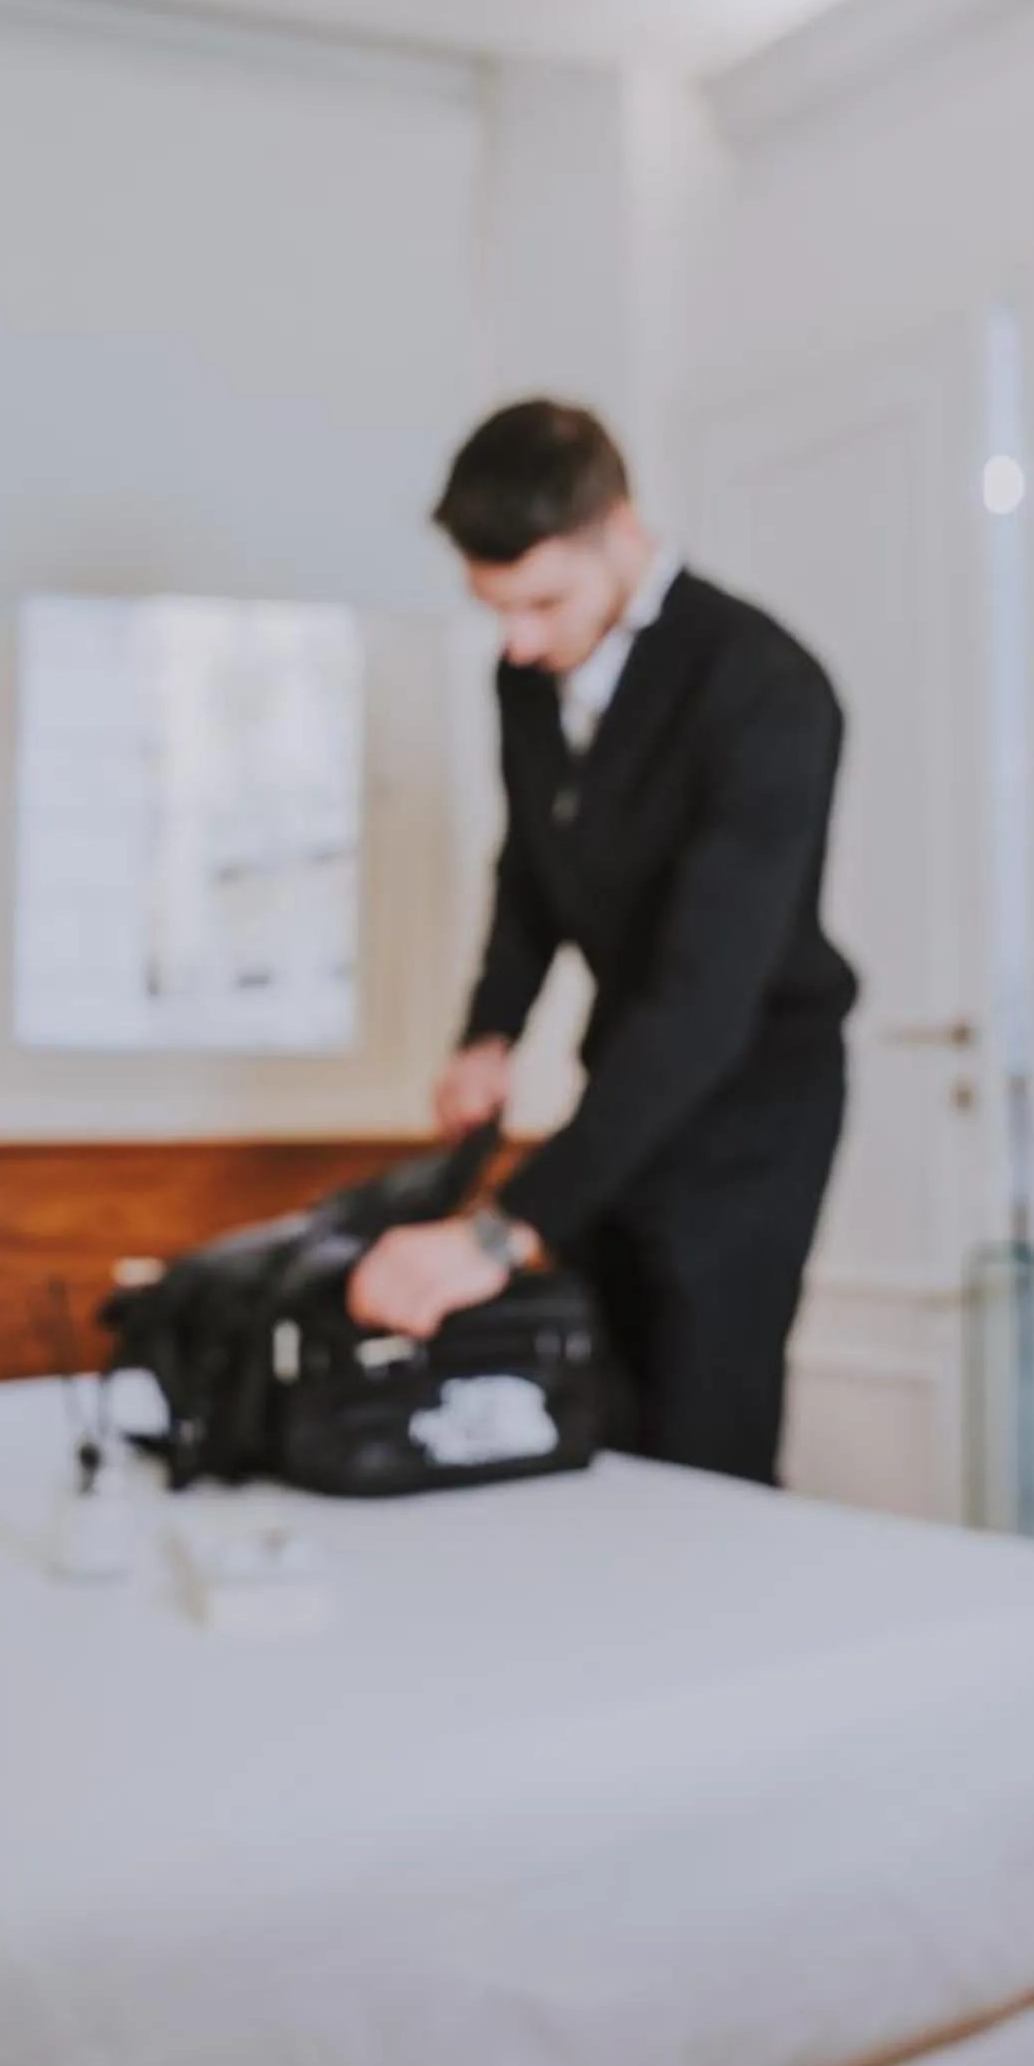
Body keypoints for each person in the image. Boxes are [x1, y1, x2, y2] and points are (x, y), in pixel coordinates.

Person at [348, 399, 857, 1484]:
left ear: (621, 532)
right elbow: (532, 864)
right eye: (497, 611)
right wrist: (492, 1030)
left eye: (543, 601)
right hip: (626, 1075)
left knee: (703, 1415)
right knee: (599, 1404)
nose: (520, 641)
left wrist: (499, 1231)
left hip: (751, 1097)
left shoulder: (767, 689)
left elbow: (703, 999)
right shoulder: (523, 678)